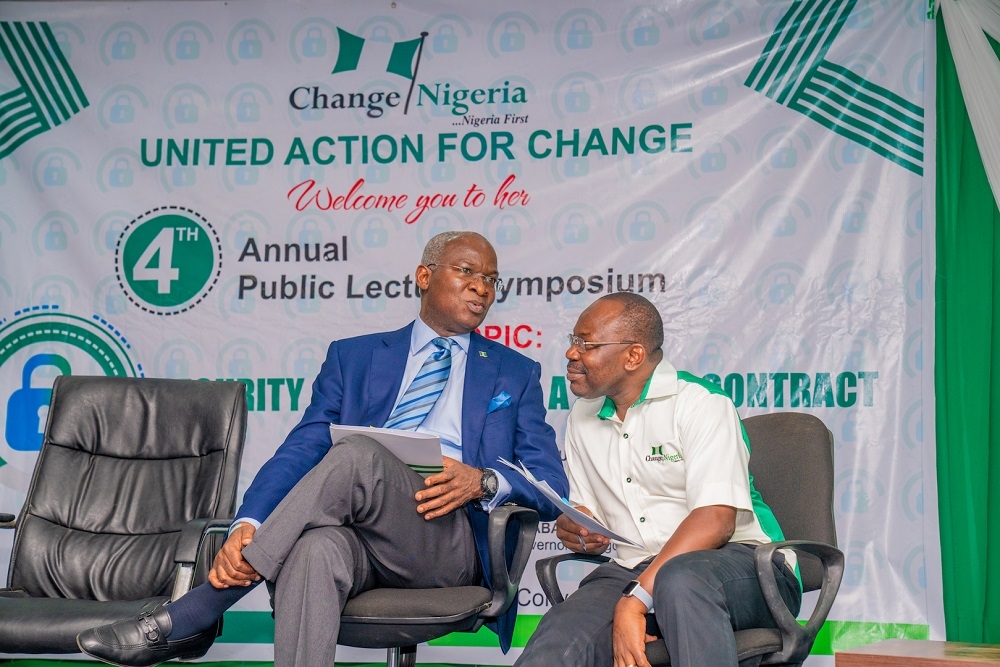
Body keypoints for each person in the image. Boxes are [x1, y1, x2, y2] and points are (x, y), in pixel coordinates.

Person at [78, 231, 569, 667]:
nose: (482, 287)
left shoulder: (512, 371)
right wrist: (247, 525)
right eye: (466, 271)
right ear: (424, 275)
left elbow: (552, 485)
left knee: (358, 453)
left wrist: (482, 481)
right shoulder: (353, 356)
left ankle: (196, 611)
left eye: (491, 279)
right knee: (315, 548)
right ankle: (213, 599)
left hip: (445, 539)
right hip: (354, 538)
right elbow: (303, 448)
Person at [514, 292, 801, 667]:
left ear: (633, 356)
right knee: (558, 643)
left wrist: (635, 601)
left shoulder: (700, 403)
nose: (571, 353)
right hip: (635, 568)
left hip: (747, 566)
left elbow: (716, 520)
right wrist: (580, 527)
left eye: (587, 344)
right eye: (573, 341)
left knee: (681, 580)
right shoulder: (582, 417)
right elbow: (589, 511)